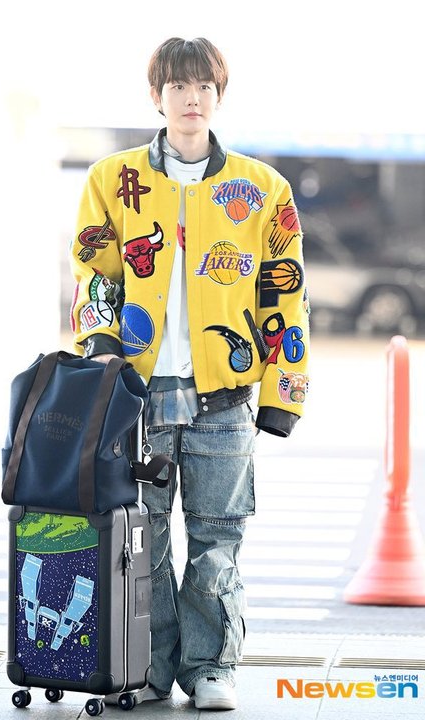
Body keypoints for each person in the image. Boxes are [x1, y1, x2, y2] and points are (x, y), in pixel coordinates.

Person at [69, 36, 310, 711]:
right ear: (157, 96)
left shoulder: (263, 189)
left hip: (223, 401)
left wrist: (284, 392)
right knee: (140, 543)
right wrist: (102, 348)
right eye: (177, 85)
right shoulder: (112, 179)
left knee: (216, 543)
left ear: (218, 95)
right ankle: (146, 668)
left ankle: (211, 669)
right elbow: (94, 271)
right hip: (136, 398)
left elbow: (286, 297)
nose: (191, 98)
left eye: (203, 85)